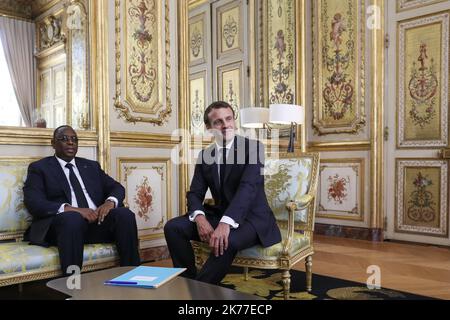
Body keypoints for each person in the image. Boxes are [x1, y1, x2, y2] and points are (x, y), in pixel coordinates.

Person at [164, 101, 281, 284]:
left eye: (229, 118)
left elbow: (248, 188)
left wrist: (226, 224)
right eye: (218, 122)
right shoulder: (205, 155)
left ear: (234, 120)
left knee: (227, 241)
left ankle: (199, 292)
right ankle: (186, 282)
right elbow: (195, 193)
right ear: (209, 128)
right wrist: (200, 218)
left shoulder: (254, 148)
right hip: (220, 214)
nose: (226, 125)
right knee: (173, 227)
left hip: (253, 219)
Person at [23, 125, 140, 275]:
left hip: (95, 223)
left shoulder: (90, 166)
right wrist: (76, 210)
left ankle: (133, 276)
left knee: (124, 215)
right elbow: (34, 202)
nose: (70, 142)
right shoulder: (40, 168)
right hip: (62, 228)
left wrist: (109, 203)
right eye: (64, 139)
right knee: (73, 219)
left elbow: (116, 187)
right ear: (53, 143)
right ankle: (72, 287)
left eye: (74, 139)